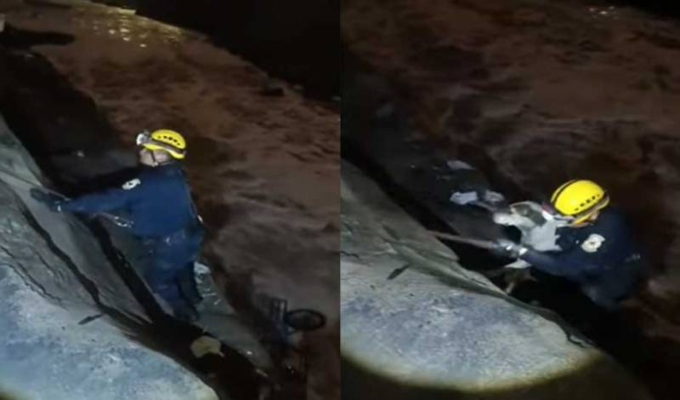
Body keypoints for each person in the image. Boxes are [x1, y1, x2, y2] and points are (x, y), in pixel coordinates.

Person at [32, 129, 205, 322]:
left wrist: (61, 205)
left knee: (158, 280)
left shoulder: (146, 182)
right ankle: (194, 297)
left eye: (147, 150)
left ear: (160, 156)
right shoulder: (176, 174)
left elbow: (104, 200)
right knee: (184, 267)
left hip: (171, 243)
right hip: (192, 233)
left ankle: (185, 311)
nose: (141, 152)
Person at [493, 179, 647, 310]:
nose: (556, 218)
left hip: (615, 270)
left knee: (596, 293)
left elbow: (565, 266)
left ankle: (617, 310)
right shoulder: (584, 218)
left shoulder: (604, 231)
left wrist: (519, 251)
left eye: (562, 216)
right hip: (587, 260)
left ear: (586, 215)